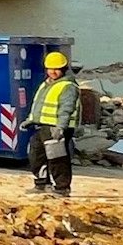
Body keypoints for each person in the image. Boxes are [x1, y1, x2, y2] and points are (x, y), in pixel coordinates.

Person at [23, 51, 80, 196]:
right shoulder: (46, 84)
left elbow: (66, 109)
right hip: (44, 127)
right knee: (36, 155)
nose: (53, 72)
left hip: (57, 128)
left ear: (63, 69)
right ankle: (42, 184)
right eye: (50, 68)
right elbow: (39, 105)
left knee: (57, 158)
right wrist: (31, 120)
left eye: (57, 69)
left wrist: (60, 127)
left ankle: (62, 188)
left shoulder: (68, 86)